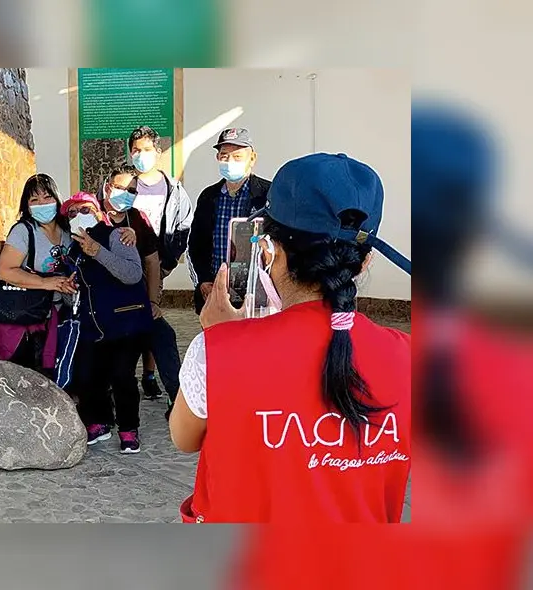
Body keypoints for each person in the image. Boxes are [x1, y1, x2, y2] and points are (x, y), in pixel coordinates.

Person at [170, 153, 412, 523]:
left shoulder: (218, 349)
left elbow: (184, 439)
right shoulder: (411, 357)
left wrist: (223, 339)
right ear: (364, 262)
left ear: (268, 251)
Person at [63, 193, 152, 454]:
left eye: (86, 208)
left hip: (127, 320)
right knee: (89, 374)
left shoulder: (117, 236)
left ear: (99, 212)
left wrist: (98, 252)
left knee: (122, 374)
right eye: (73, 211)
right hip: (95, 322)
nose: (80, 213)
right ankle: (100, 422)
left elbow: (133, 274)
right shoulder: (71, 249)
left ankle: (128, 428)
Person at [98, 165, 182, 420]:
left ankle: (177, 400)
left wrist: (153, 300)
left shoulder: (138, 218)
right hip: (102, 305)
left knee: (164, 334)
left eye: (132, 190)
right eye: (122, 188)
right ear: (107, 187)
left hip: (136, 302)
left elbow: (152, 261)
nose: (127, 194)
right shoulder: (92, 214)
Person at [126, 125, 193, 399]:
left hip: (157, 263)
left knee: (153, 315)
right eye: (135, 150)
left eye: (146, 150)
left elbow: (183, 226)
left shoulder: (173, 189)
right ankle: (124, 374)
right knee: (131, 320)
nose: (141, 155)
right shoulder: (124, 184)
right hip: (127, 264)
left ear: (158, 151)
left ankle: (150, 374)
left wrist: (170, 262)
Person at [0, 174, 78, 372]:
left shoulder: (68, 230)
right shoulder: (23, 231)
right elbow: (4, 271)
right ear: (27, 206)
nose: (42, 203)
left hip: (63, 312)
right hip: (34, 316)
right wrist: (46, 282)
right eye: (34, 200)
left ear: (57, 199)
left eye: (47, 197)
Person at [187, 127, 272, 314]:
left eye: (237, 157)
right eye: (224, 156)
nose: (230, 161)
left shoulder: (268, 195)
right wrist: (203, 281)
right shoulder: (209, 197)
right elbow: (196, 244)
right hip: (215, 293)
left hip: (256, 295)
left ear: (252, 158)